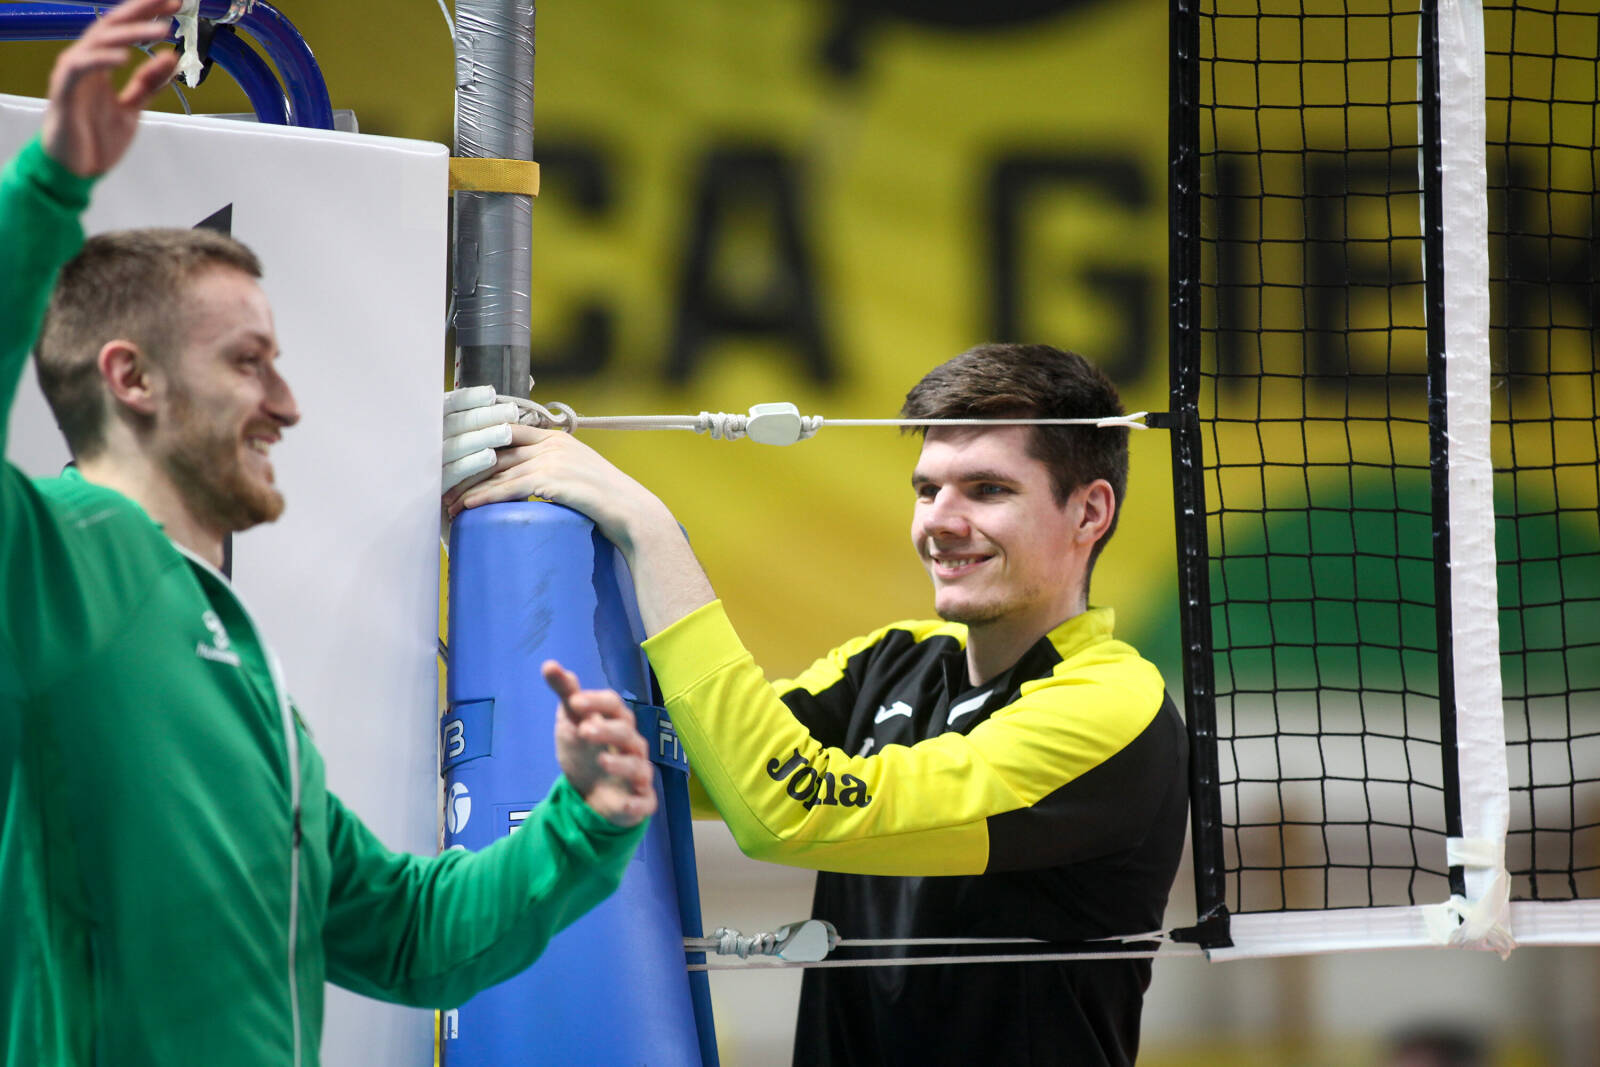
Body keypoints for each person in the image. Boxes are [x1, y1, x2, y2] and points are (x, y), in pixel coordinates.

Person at [0, 5, 656, 1064]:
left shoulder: (235, 664)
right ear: (132, 377)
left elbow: (407, 935)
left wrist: (581, 822)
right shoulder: (45, 566)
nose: (287, 404)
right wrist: (46, 189)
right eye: (246, 362)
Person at [447, 343, 1190, 1065]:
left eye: (988, 490)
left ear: (1089, 512)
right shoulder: (891, 660)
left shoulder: (1113, 705)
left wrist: (646, 527)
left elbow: (787, 808)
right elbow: (692, 760)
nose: (940, 520)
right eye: (927, 490)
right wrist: (503, 551)